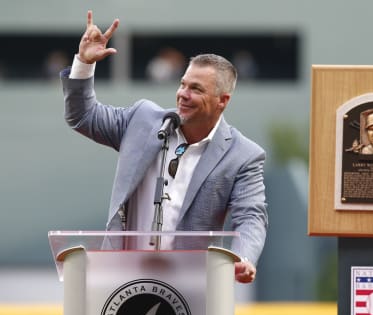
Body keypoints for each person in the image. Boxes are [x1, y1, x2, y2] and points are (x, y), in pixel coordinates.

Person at [60, 11, 267, 284]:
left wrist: (243, 257)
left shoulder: (244, 156)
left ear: (222, 100)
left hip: (189, 287)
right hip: (121, 280)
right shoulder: (143, 119)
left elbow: (251, 216)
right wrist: (84, 64)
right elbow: (83, 117)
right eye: (182, 84)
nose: (183, 94)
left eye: (196, 89)